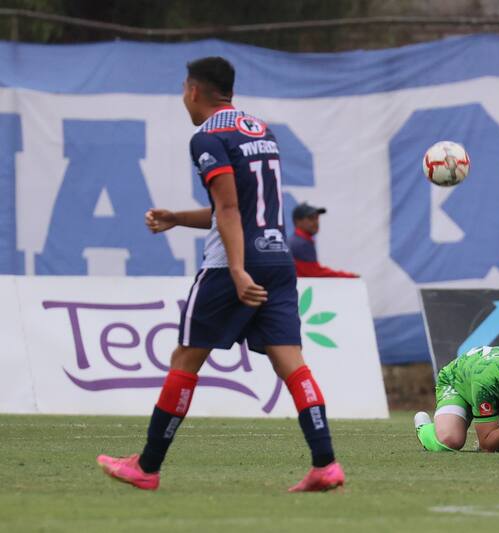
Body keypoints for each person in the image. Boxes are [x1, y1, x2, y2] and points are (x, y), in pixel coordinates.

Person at [96, 56, 345, 492]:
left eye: (183, 90)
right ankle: (325, 463)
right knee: (291, 363)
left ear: (194, 91)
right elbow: (237, 207)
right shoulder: (259, 130)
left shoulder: (207, 136)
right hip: (277, 256)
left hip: (233, 264)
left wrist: (235, 269)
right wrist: (177, 217)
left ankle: (147, 466)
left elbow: (229, 208)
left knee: (185, 360)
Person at [288, 203, 358, 278]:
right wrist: (348, 276)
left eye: (317, 218)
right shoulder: (302, 243)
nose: (316, 222)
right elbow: (315, 273)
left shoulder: (294, 240)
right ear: (298, 221)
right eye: (311, 218)